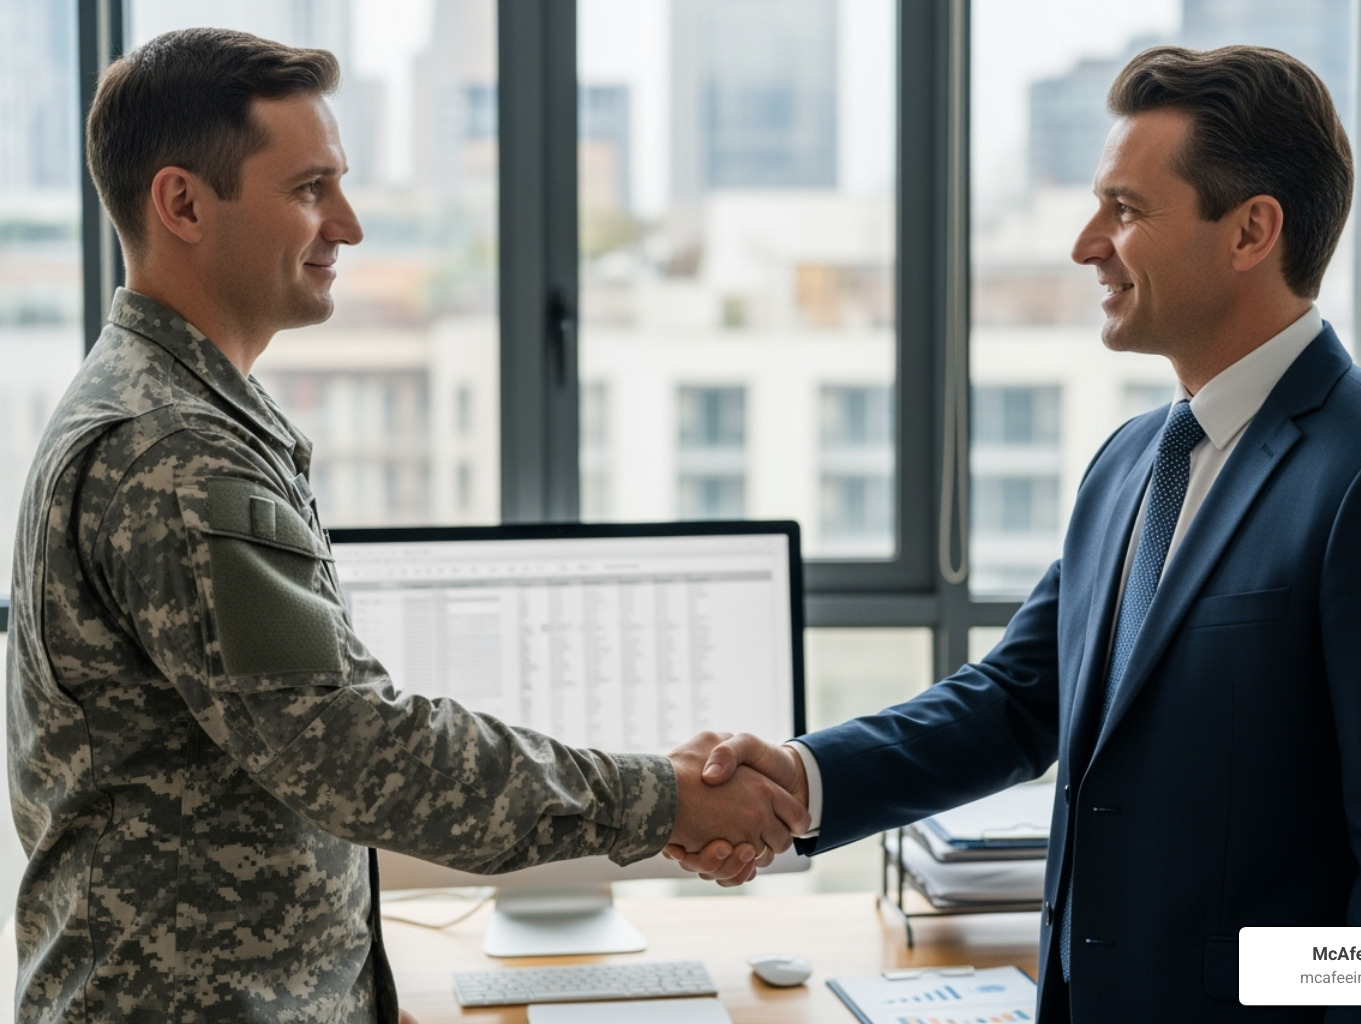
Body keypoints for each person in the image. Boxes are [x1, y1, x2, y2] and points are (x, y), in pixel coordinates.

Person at [670, 45, 1361, 1023]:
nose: (1083, 245)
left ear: (1251, 231)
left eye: (1124, 210)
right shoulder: (1131, 461)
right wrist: (802, 779)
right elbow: (1016, 701)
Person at [5, 28, 805, 1024]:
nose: (347, 224)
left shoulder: (188, 415)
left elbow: (286, 767)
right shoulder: (170, 447)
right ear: (182, 204)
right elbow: (353, 749)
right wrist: (665, 797)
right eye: (309, 189)